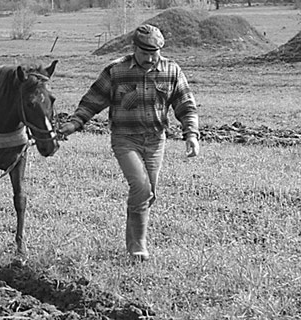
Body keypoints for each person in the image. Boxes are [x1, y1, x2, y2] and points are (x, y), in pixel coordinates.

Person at [58, 24, 199, 262]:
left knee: (148, 193)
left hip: (155, 141)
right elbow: (92, 101)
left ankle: (133, 244)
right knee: (141, 187)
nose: (151, 58)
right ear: (134, 49)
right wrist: (73, 124)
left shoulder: (171, 70)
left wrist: (191, 134)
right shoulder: (116, 71)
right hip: (125, 139)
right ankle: (138, 247)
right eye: (145, 53)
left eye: (155, 53)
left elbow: (185, 104)